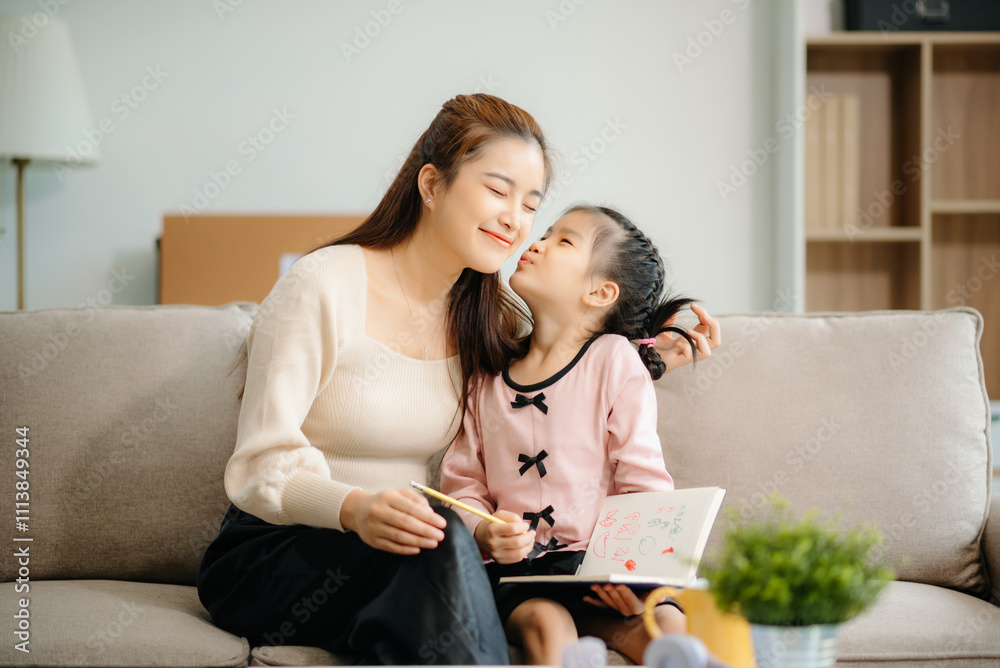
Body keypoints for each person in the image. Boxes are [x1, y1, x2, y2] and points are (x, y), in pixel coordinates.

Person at [195, 92, 554, 664]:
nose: (516, 218)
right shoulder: (323, 284)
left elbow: (560, 378)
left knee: (440, 556)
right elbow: (259, 468)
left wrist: (651, 353)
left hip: (412, 550)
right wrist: (356, 510)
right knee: (435, 552)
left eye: (532, 204)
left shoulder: (488, 321)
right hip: (275, 548)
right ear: (432, 185)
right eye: (496, 190)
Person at [439, 204, 716, 665]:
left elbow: (642, 480)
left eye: (563, 240)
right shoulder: (486, 377)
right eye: (547, 233)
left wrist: (636, 575)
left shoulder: (613, 360)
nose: (538, 241)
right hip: (518, 575)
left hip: (601, 566)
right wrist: (487, 531)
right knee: (548, 625)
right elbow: (462, 485)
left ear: (600, 292)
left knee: (663, 620)